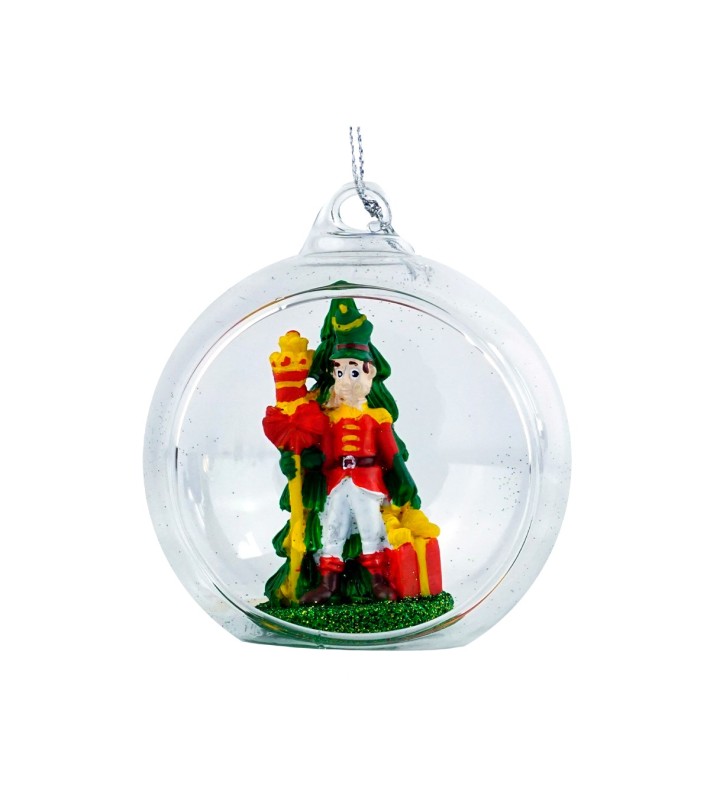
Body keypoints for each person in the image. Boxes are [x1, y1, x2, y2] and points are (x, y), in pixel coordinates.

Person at [300, 300, 416, 604]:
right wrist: (309, 458)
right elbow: (321, 450)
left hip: (367, 481)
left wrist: (404, 479)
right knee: (332, 528)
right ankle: (328, 584)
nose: (345, 380)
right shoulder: (329, 417)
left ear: (369, 373)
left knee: (370, 528)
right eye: (339, 373)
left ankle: (378, 581)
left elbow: (391, 454)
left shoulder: (377, 417)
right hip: (337, 481)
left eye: (353, 372)